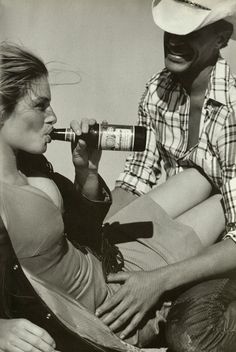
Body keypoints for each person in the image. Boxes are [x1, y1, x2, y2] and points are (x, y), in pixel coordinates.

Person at [0, 41, 228, 352]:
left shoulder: (28, 163)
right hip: (117, 304)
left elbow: (83, 231)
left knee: (200, 175)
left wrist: (87, 173)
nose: (53, 116)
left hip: (109, 255)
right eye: (40, 106)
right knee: (222, 204)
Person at [94, 1, 236, 351]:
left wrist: (156, 281)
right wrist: (97, 248)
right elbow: (135, 180)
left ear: (222, 37)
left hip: (223, 251)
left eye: (188, 31)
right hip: (181, 241)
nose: (174, 40)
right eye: (170, 29)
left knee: (189, 336)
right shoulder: (158, 90)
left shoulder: (233, 109)